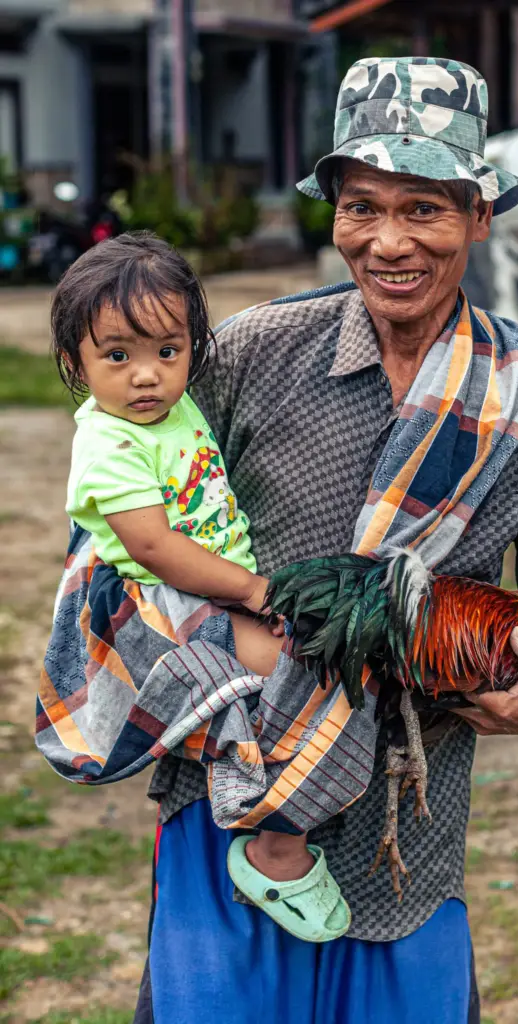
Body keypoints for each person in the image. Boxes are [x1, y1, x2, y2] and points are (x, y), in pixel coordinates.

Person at [37, 57, 518, 1024]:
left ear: (479, 216)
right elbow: (114, 540)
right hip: (229, 803)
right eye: (362, 207)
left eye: (425, 209)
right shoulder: (246, 354)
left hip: (411, 820)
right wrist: (210, 647)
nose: (389, 241)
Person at [52, 233, 350, 941]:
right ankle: (274, 849)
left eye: (167, 351)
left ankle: (257, 781)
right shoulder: (109, 442)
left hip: (205, 586)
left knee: (302, 679)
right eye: (117, 356)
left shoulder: (168, 409)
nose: (147, 376)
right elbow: (153, 548)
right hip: (169, 603)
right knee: (303, 670)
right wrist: (253, 590)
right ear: (76, 363)